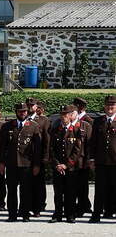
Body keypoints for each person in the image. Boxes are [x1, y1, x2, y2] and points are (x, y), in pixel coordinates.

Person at [0, 103, 41, 222]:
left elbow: (37, 148)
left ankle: (25, 214)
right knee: (11, 190)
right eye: (20, 111)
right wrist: (1, 162)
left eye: (25, 111)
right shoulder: (8, 126)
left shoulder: (33, 126)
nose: (22, 113)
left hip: (26, 164)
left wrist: (37, 164)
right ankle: (12, 214)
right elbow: (2, 146)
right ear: (16, 112)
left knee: (25, 191)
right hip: (12, 164)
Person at [49, 105, 83, 224]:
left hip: (70, 168)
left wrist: (67, 165)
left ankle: (70, 215)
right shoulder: (55, 130)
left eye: (66, 114)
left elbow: (77, 150)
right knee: (58, 193)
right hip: (58, 167)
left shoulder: (76, 130)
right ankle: (57, 214)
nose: (64, 117)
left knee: (70, 192)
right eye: (62, 114)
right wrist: (57, 164)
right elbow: (51, 149)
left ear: (70, 115)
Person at [89, 95, 116, 223]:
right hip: (101, 162)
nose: (110, 107)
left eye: (112, 105)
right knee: (100, 190)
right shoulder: (98, 121)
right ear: (104, 107)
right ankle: (96, 214)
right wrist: (92, 159)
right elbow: (93, 141)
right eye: (108, 105)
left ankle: (110, 211)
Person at [26, 97, 51, 216]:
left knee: (38, 184)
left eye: (32, 105)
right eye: (29, 105)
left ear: (37, 107)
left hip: (38, 156)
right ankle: (27, 206)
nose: (30, 107)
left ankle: (39, 206)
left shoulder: (43, 120)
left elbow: (47, 140)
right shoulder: (23, 118)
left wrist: (45, 157)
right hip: (25, 157)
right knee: (27, 184)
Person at [72, 97, 93, 217]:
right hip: (73, 158)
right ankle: (82, 205)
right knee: (75, 184)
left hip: (83, 158)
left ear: (80, 107)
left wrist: (89, 159)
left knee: (82, 185)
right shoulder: (73, 120)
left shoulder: (88, 121)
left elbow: (90, 142)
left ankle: (83, 206)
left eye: (76, 106)